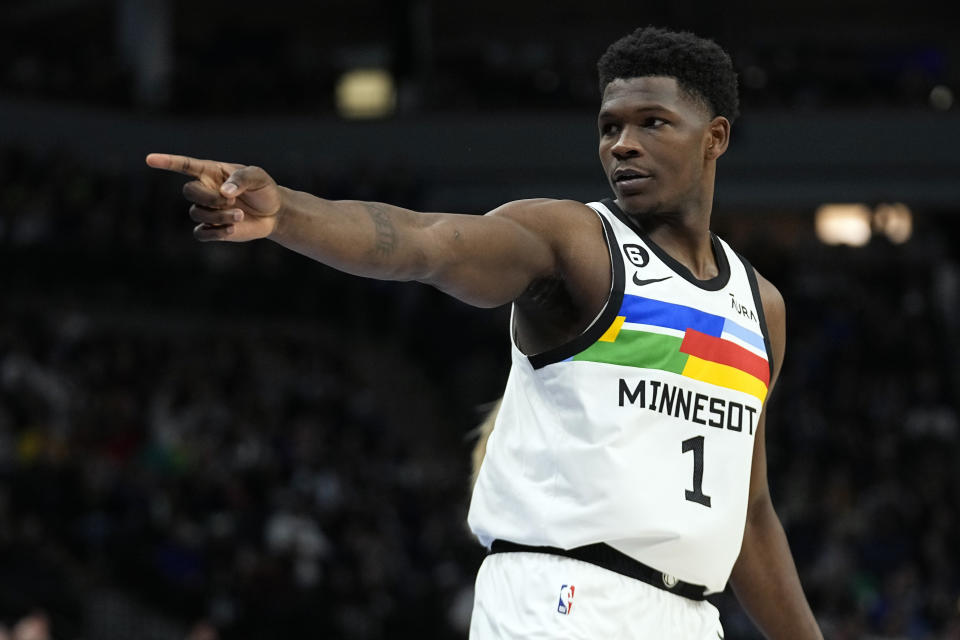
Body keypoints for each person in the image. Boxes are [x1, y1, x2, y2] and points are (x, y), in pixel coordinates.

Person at [147, 25, 822, 639]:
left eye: (653, 122)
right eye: (609, 125)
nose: (623, 143)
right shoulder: (578, 242)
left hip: (689, 618)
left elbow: (751, 513)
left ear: (716, 137)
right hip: (565, 599)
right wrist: (289, 213)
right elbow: (428, 242)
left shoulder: (760, 306)